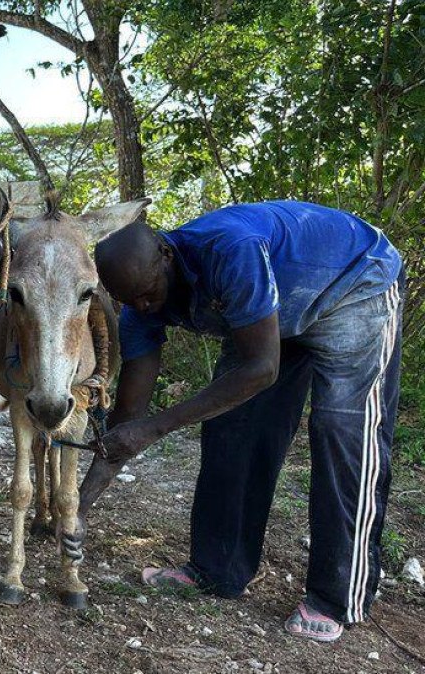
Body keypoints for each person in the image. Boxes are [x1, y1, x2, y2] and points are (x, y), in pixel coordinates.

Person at [92, 200, 403, 642]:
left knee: (342, 431)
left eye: (149, 292)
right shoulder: (138, 306)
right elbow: (129, 417)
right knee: (233, 425)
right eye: (131, 301)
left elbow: (261, 368)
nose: (143, 305)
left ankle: (336, 597)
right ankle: (217, 569)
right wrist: (78, 505)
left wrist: (157, 427)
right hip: (269, 313)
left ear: (166, 254)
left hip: (354, 286)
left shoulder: (229, 249)